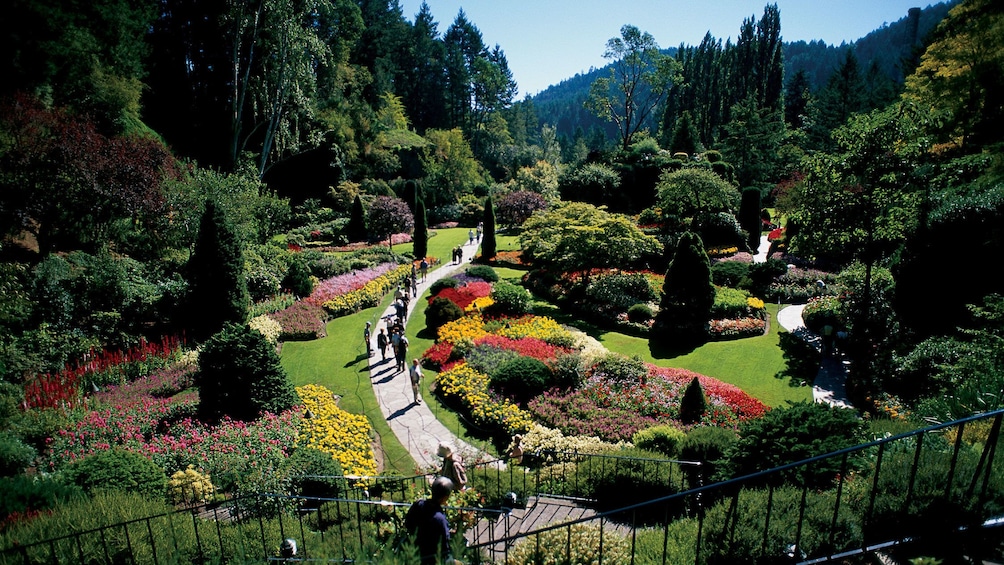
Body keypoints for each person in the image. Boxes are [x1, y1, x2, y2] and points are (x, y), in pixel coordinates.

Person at [404, 476, 455, 565]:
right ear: (445, 497)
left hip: (415, 551)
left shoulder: (418, 505)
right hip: (432, 558)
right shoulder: (440, 519)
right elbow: (445, 545)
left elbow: (408, 523)